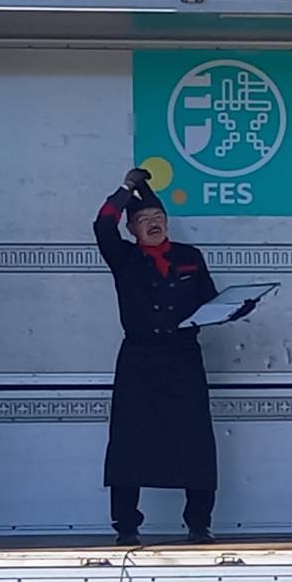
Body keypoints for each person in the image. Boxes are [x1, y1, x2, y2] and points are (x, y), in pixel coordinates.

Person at [93, 167, 249, 545]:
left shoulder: (189, 257)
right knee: (129, 444)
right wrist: (126, 188)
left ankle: (199, 524)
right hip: (140, 360)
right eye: (144, 220)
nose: (153, 224)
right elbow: (101, 225)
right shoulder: (124, 257)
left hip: (183, 359)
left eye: (159, 218)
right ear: (132, 228)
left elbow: (207, 303)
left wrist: (235, 309)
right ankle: (126, 528)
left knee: (194, 442)